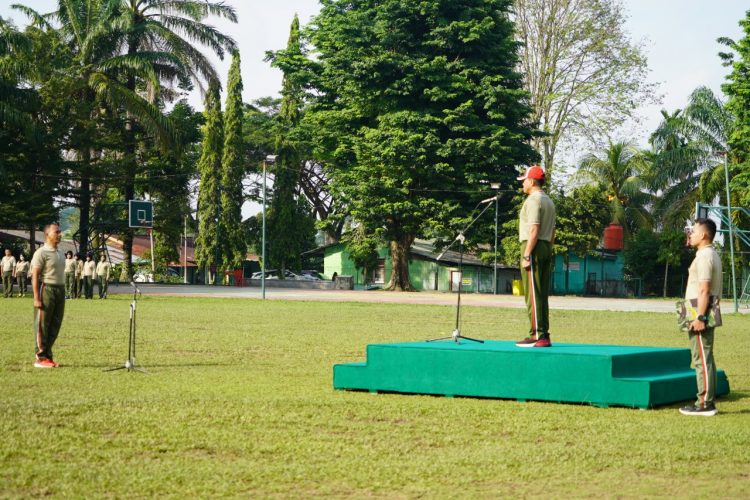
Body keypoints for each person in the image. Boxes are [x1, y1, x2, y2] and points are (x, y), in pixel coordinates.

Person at [679, 218, 722, 417]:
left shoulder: (705, 255)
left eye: (694, 231)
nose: (691, 234)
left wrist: (700, 318)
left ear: (704, 235)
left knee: (701, 358)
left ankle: (704, 403)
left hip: (700, 309)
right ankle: (706, 400)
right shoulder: (707, 253)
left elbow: (704, 289)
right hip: (696, 307)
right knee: (704, 357)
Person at [515, 165, 556, 348]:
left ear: (531, 181)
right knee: (541, 293)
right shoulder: (549, 201)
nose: (522, 183)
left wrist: (526, 254)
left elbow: (533, 229)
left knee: (532, 293)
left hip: (534, 246)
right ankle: (540, 332)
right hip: (546, 245)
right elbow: (553, 231)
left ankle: (538, 334)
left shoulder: (533, 200)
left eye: (524, 180)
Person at [31, 223, 66, 368]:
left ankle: (48, 355)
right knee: (43, 325)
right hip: (47, 289)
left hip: (60, 290)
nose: (59, 234)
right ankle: (40, 357)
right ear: (47, 235)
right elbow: (35, 276)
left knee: (55, 324)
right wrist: (36, 297)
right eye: (56, 232)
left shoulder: (60, 252)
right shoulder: (41, 252)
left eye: (60, 232)